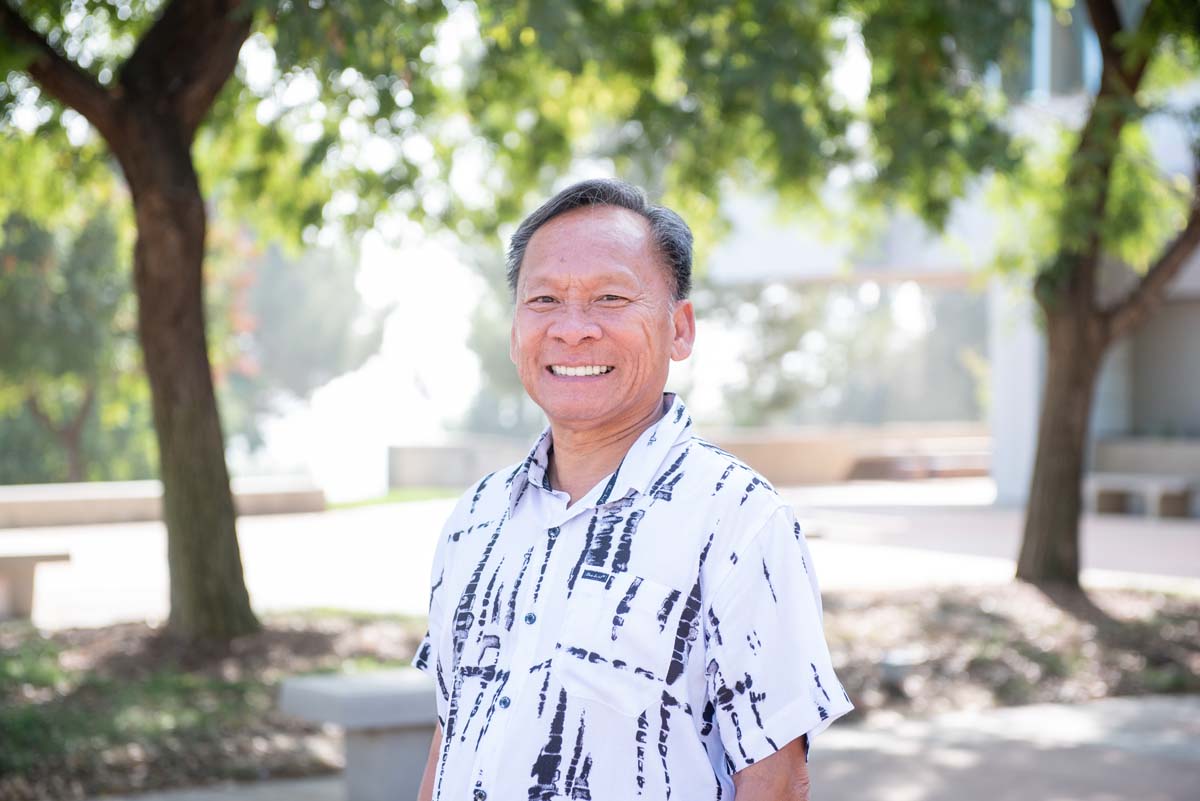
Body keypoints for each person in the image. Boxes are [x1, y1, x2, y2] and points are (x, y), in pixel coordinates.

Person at [411, 178, 853, 801]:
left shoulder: (737, 519)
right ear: (514, 330)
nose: (573, 329)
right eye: (543, 300)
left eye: (611, 297)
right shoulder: (475, 518)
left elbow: (778, 779)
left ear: (680, 329)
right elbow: (449, 736)